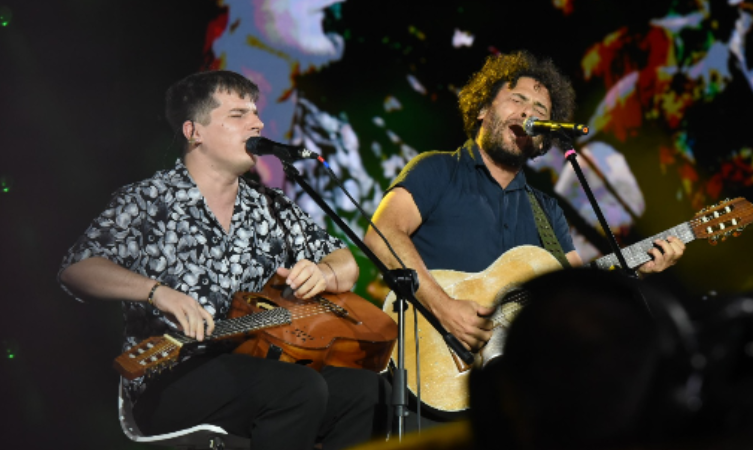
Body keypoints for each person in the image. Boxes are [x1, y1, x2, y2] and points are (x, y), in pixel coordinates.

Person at [58, 70, 388, 450]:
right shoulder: (146, 200)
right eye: (238, 114)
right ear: (193, 131)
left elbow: (346, 263)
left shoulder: (271, 206)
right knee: (299, 389)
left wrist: (324, 272)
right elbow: (77, 269)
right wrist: (157, 292)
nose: (258, 122)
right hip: (172, 374)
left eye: (256, 113)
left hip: (262, 363)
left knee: (367, 390)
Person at [363, 50, 685, 356]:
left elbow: (576, 292)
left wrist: (637, 271)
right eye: (517, 100)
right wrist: (444, 307)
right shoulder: (436, 169)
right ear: (482, 110)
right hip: (428, 359)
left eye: (539, 110)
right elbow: (382, 234)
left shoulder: (548, 211)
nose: (528, 112)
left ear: (544, 136)